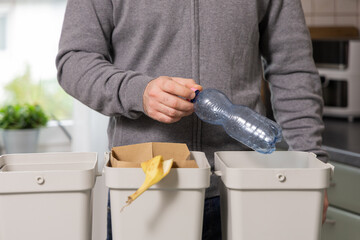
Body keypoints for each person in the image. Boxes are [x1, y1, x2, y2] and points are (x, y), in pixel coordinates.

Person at [56, 0, 329, 239]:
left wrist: (312, 170)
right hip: (146, 189)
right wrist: (138, 91)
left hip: (243, 191)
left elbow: (293, 69)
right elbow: (75, 61)